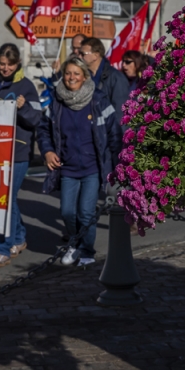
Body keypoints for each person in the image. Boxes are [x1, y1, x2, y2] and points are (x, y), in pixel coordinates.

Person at [36, 57, 122, 266]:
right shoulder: (56, 101)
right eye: (68, 73)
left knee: (85, 211)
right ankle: (74, 243)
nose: (71, 77)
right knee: (67, 211)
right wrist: (47, 152)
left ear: (84, 76)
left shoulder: (99, 100)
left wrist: (119, 164)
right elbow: (43, 129)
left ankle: (86, 252)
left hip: (93, 167)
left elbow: (114, 133)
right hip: (67, 168)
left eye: (76, 73)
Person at [0, 44, 42, 268]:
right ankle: (19, 237)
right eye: (2, 64)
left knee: (4, 200)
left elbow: (36, 118)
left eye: (9, 65)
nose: (5, 68)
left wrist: (23, 108)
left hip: (18, 151)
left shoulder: (27, 86)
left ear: (17, 65)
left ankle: (2, 248)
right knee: (7, 199)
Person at [79, 37, 130, 115]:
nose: (79, 57)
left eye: (83, 54)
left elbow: (120, 113)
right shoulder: (83, 77)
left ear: (96, 55)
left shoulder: (116, 78)